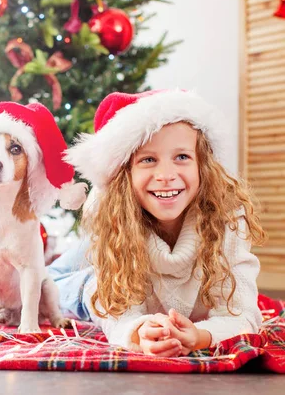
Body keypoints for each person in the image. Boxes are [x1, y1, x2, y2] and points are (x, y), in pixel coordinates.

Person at [50, 89, 267, 357]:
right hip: (116, 241)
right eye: (149, 159)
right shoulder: (112, 219)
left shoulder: (228, 218)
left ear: (203, 166)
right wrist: (138, 331)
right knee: (53, 283)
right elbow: (118, 313)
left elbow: (242, 315)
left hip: (136, 240)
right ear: (124, 174)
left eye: (182, 157)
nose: (165, 175)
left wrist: (199, 336)